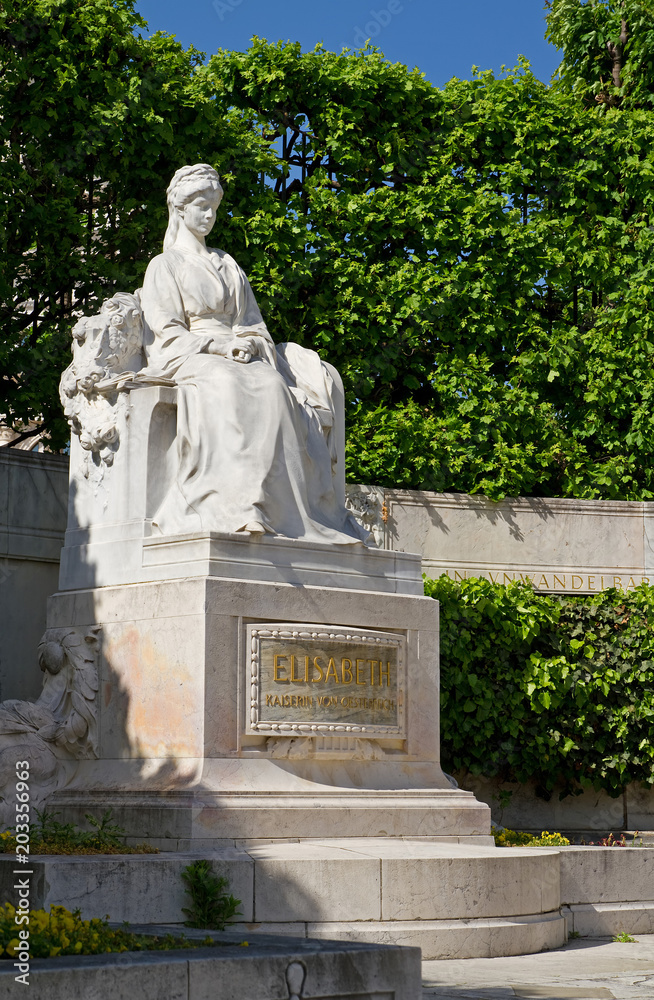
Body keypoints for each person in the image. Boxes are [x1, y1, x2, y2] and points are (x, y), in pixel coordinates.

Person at [140, 163, 368, 545]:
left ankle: (274, 510)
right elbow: (166, 332)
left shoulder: (228, 264)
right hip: (195, 354)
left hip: (242, 354)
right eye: (201, 205)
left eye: (214, 206)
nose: (209, 215)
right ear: (179, 209)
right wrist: (216, 344)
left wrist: (247, 343)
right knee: (225, 385)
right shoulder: (165, 266)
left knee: (273, 389)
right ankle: (237, 507)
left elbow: (253, 323)